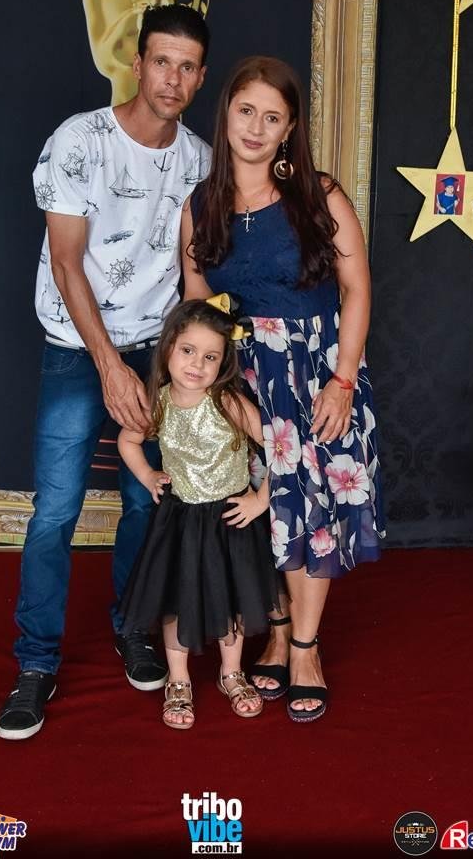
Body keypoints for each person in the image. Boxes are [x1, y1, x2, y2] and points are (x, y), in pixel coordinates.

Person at [0, 4, 211, 741]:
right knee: (55, 510)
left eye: (187, 67)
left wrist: (191, 362)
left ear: (199, 78)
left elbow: (193, 270)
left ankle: (132, 625)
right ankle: (35, 662)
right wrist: (109, 366)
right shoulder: (80, 140)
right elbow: (65, 262)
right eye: (161, 61)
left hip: (157, 351)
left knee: (146, 501)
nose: (172, 78)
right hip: (75, 347)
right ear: (138, 63)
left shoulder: (199, 160)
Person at [181, 56, 385, 723]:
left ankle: (304, 647)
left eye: (272, 117)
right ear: (226, 113)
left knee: (310, 510)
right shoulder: (199, 207)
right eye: (246, 111)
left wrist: (343, 380)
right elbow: (197, 314)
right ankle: (274, 629)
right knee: (262, 509)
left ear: (289, 128)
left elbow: (356, 289)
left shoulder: (318, 196)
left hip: (317, 372)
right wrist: (215, 394)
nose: (256, 127)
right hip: (242, 379)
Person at [117, 298, 283, 729]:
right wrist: (148, 475)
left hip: (230, 520)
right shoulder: (158, 402)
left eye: (210, 357)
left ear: (223, 362)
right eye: (188, 350)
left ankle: (232, 673)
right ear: (168, 348)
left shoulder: (227, 402)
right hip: (180, 521)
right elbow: (127, 441)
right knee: (176, 599)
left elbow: (281, 447)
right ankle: (178, 679)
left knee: (232, 598)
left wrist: (260, 500)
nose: (197, 364)